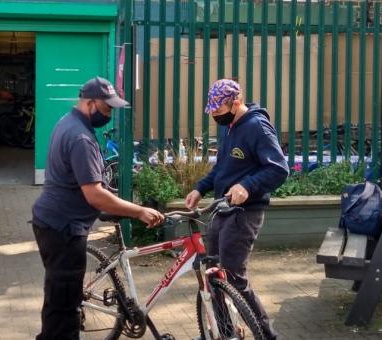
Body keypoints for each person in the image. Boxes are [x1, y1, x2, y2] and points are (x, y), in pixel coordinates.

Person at [31, 76, 164, 340]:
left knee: (58, 299)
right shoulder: (80, 137)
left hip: (54, 222)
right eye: (106, 108)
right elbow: (94, 195)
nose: (110, 114)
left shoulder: (67, 122)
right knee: (64, 309)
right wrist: (138, 211)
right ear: (90, 103)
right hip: (63, 229)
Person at [185, 79, 289, 339]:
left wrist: (248, 186)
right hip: (222, 209)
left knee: (233, 277)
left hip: (245, 213)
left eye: (218, 111)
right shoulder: (230, 127)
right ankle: (224, 330)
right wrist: (200, 188)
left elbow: (278, 169)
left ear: (236, 101)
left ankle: (266, 334)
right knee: (211, 272)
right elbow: (222, 168)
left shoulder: (257, 127)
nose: (215, 117)